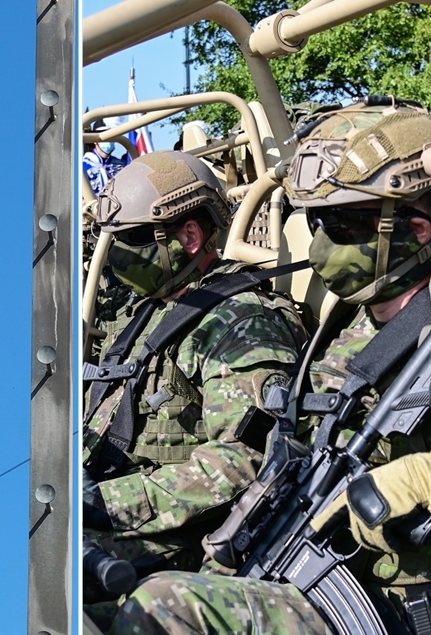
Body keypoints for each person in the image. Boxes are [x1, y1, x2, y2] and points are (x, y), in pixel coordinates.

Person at [107, 100, 431, 635]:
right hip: (331, 606)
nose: (318, 246)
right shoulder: (342, 334)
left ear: (416, 229)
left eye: (340, 226)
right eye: (312, 223)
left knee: (165, 614)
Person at [83, 150, 306, 593]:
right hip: (116, 508)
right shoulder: (149, 310)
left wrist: (103, 503)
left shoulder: (239, 322)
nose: (118, 251)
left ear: (187, 236)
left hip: (180, 539)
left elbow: (246, 460)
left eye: (134, 237)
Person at [83, 122, 127, 192]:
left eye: (111, 138)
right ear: (95, 141)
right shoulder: (83, 165)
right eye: (105, 138)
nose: (109, 141)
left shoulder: (122, 165)